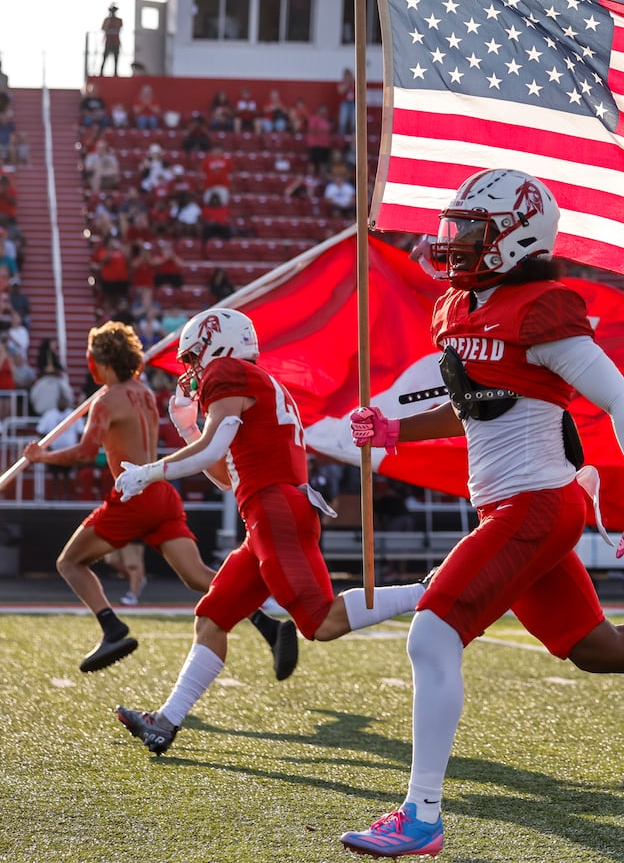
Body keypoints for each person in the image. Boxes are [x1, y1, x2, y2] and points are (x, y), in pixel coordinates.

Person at [337, 169, 624, 858]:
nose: (453, 241)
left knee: (430, 636)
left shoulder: (541, 309)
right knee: (596, 648)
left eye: (471, 228)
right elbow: (477, 405)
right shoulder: (458, 308)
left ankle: (422, 816)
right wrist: (397, 430)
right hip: (511, 505)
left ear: (515, 236)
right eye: (455, 225)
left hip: (534, 505)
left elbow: (621, 402)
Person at [110, 308, 429, 753]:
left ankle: (428, 591)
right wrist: (189, 430)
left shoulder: (227, 371)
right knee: (213, 616)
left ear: (218, 345)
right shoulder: (255, 381)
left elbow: (214, 449)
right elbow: (225, 473)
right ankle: (165, 721)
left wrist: (149, 472)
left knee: (320, 622)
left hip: (273, 509)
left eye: (195, 356)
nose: (194, 369)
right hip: (267, 510)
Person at [23, 321, 301, 677]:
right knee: (196, 575)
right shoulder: (140, 391)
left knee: (70, 563)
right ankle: (266, 624)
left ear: (101, 361)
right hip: (162, 496)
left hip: (133, 493)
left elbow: (85, 452)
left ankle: (111, 628)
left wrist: (40, 457)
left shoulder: (107, 401)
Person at [100, 4, 123, 76]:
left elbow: (119, 28)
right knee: (104, 58)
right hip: (108, 42)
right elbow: (103, 28)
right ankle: (101, 72)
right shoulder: (107, 20)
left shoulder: (119, 20)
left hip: (116, 42)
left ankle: (115, 73)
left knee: (116, 59)